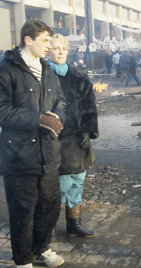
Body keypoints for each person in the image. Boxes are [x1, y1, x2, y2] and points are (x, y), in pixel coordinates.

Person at [0, 19, 66, 268]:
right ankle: (23, 259)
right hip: (19, 155)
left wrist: (58, 115)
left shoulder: (47, 69)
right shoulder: (7, 70)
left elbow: (61, 100)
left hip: (48, 154)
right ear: (28, 40)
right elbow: (2, 110)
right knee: (23, 211)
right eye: (45, 41)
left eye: (50, 41)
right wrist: (38, 119)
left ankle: (42, 248)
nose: (49, 46)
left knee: (49, 206)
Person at [48, 33, 99, 239]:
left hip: (77, 141)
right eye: (55, 48)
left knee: (77, 181)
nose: (60, 52)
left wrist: (88, 131)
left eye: (63, 48)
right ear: (47, 50)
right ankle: (47, 226)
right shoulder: (42, 76)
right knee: (58, 185)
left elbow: (89, 108)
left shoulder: (78, 76)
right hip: (54, 141)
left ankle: (74, 224)